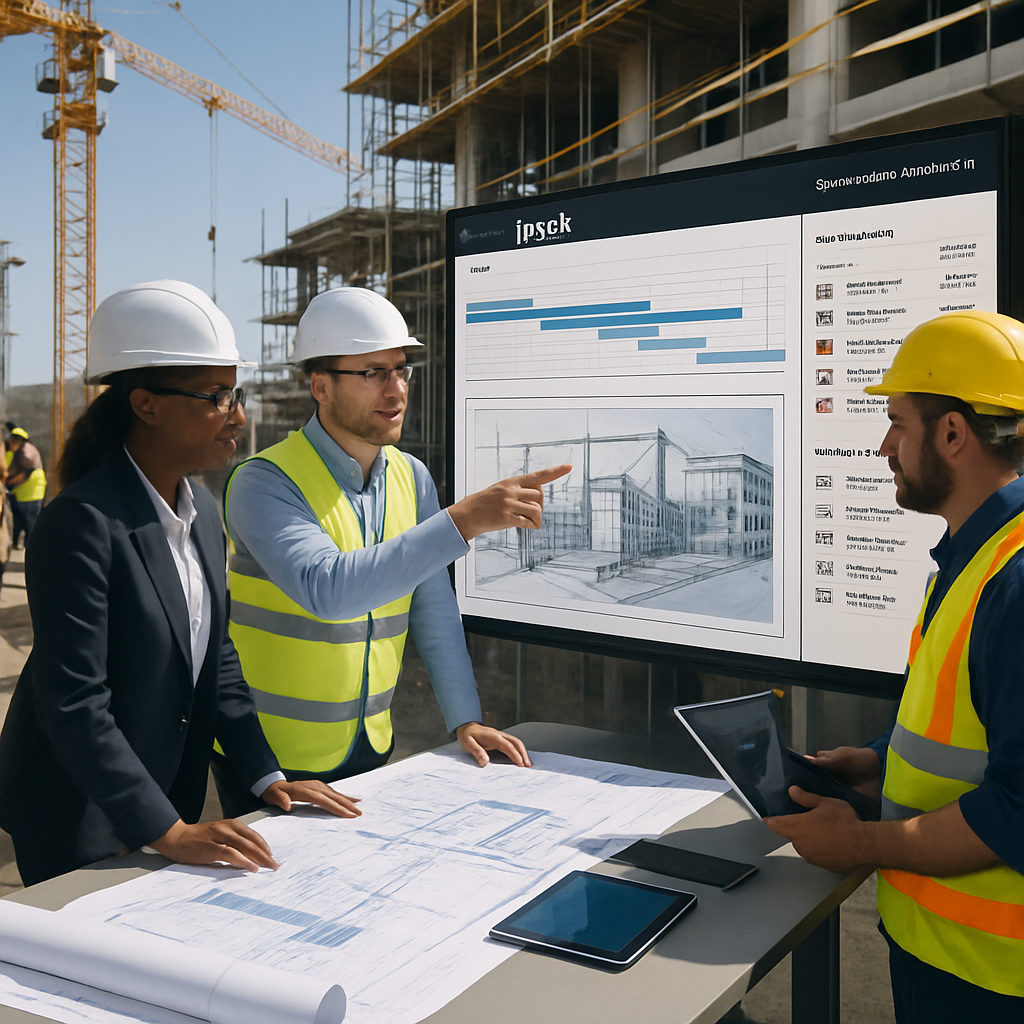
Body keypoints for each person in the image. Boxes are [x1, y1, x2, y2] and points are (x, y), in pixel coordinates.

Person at [0, 280, 360, 887]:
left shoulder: (202, 516)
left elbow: (215, 660)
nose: (239, 415)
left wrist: (268, 777)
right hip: (78, 814)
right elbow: (74, 700)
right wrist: (166, 830)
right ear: (146, 405)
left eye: (236, 393)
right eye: (217, 396)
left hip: (166, 807)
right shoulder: (82, 523)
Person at [215, 287, 570, 815]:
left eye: (402, 370)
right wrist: (464, 519)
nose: (396, 389)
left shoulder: (411, 476)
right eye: (373, 373)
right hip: (270, 762)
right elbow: (327, 589)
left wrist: (465, 719)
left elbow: (433, 608)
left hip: (369, 746)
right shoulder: (264, 481)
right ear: (321, 386)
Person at [765, 310, 1024, 1022]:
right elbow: (970, 731)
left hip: (991, 984)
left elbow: (1018, 810)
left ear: (952, 434)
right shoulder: (974, 557)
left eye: (897, 422)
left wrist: (861, 842)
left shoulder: (1016, 579)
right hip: (941, 955)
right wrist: (879, 762)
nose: (883, 445)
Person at [5, 426, 47, 549]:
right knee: (19, 522)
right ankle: (19, 545)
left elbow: (24, 474)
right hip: (22, 493)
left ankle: (31, 548)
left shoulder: (25, 453)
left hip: (31, 493)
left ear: (18, 441)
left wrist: (6, 483)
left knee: (30, 524)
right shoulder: (18, 451)